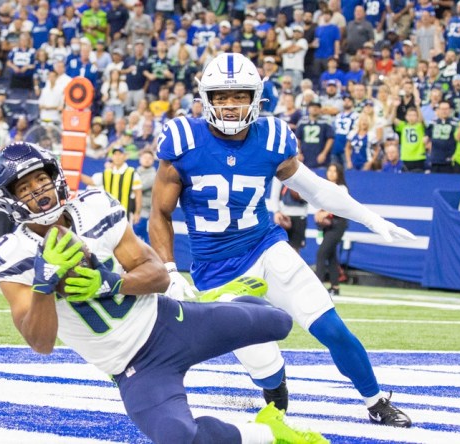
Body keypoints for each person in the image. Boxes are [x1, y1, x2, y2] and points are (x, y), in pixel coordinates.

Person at [0, 142, 326, 444]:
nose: (38, 191)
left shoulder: (93, 206)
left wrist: (109, 283)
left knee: (279, 323)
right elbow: (40, 343)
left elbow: (157, 276)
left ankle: (224, 301)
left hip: (171, 321)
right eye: (25, 187)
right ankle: (268, 434)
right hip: (134, 367)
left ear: (55, 176)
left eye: (41, 180)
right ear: (10, 200)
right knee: (178, 437)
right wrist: (44, 284)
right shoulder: (11, 254)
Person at [150, 53, 414, 427]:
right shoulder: (182, 140)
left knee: (331, 326)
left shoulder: (271, 138)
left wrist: (369, 217)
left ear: (256, 97)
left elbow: (318, 191)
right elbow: (159, 213)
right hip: (215, 270)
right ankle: (276, 390)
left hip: (265, 248)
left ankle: (375, 401)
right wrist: (170, 270)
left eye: (239, 95)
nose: (229, 104)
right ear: (205, 98)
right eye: (221, 96)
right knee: (263, 362)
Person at [315, 164, 349, 297]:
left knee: (321, 254)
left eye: (335, 171)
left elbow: (340, 205)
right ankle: (335, 286)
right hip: (328, 225)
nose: (331, 173)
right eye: (329, 170)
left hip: (338, 223)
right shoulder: (325, 186)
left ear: (339, 174)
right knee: (331, 256)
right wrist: (320, 212)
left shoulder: (342, 188)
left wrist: (326, 212)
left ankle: (317, 286)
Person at [268, 178, 308, 255]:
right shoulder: (280, 173)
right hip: (284, 215)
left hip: (300, 216)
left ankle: (294, 267)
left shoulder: (304, 172)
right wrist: (276, 211)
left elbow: (310, 194)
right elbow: (274, 194)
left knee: (295, 249)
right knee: (281, 248)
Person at [133, 149, 156, 243]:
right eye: (145, 157)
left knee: (139, 236)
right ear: (140, 159)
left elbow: (138, 187)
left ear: (153, 161)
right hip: (131, 209)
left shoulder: (154, 175)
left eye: (150, 158)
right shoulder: (135, 172)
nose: (147, 160)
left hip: (144, 210)